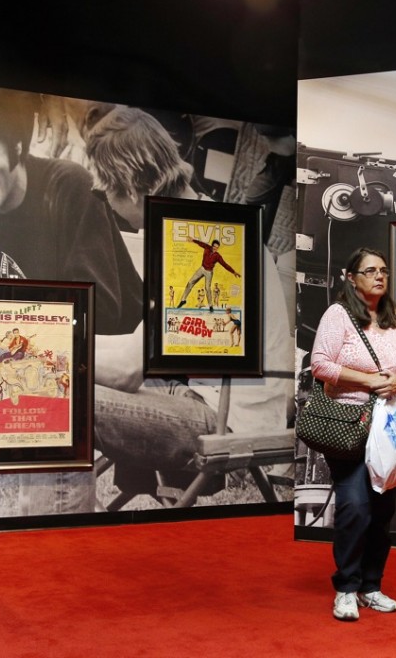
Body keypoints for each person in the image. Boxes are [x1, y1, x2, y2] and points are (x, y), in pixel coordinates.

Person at [0, 81, 143, 518]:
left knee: (39, 374)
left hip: (92, 367)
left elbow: (102, 314)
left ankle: (54, 543)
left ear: (17, 143)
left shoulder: (66, 187)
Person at [83, 105, 293, 504]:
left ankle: (71, 528)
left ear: (129, 184)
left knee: (58, 391)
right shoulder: (203, 221)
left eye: (104, 190)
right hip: (208, 399)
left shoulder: (197, 234)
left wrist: (53, 353)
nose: (107, 203)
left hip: (224, 419)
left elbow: (128, 370)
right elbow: (137, 347)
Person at [310, 247, 396, 621]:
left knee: (383, 510)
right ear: (351, 277)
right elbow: (320, 365)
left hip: (390, 424)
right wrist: (370, 380)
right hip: (349, 423)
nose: (379, 276)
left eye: (384, 271)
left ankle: (371, 586)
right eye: (370, 270)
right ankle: (346, 587)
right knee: (355, 506)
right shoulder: (338, 315)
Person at [175, 236, 241, 311]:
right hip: (202, 268)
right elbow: (200, 243)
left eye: (217, 247)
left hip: (209, 272)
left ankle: (210, 306)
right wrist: (193, 240)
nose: (215, 248)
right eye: (214, 246)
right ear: (212, 245)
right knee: (190, 282)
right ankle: (183, 300)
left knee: (207, 288)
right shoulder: (207, 247)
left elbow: (225, 264)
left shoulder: (218, 256)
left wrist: (233, 272)